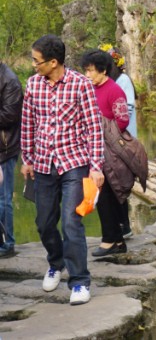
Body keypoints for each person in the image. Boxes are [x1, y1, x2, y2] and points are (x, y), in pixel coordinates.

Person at [20, 35, 104, 306]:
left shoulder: (80, 84)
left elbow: (94, 127)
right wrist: (27, 158)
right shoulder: (33, 84)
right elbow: (28, 123)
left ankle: (79, 281)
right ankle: (56, 263)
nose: (34, 65)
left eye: (37, 61)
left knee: (71, 222)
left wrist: (96, 167)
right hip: (43, 163)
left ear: (53, 62)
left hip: (73, 163)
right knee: (44, 223)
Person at [79, 49, 131, 259]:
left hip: (110, 152)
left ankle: (111, 240)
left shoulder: (114, 90)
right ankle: (116, 240)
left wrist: (99, 128)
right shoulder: (89, 89)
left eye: (91, 71)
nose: (87, 75)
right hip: (92, 150)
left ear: (103, 70)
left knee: (106, 196)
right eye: (86, 70)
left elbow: (123, 121)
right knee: (102, 195)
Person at [102, 45, 136, 241]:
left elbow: (127, 109)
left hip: (122, 140)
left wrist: (114, 132)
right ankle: (119, 225)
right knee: (112, 184)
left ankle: (124, 225)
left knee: (119, 183)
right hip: (109, 142)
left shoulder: (122, 81)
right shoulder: (106, 83)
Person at [0, 58, 23, 258]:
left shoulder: (10, 81)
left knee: (4, 198)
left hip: (5, 147)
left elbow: (8, 116)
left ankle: (8, 243)